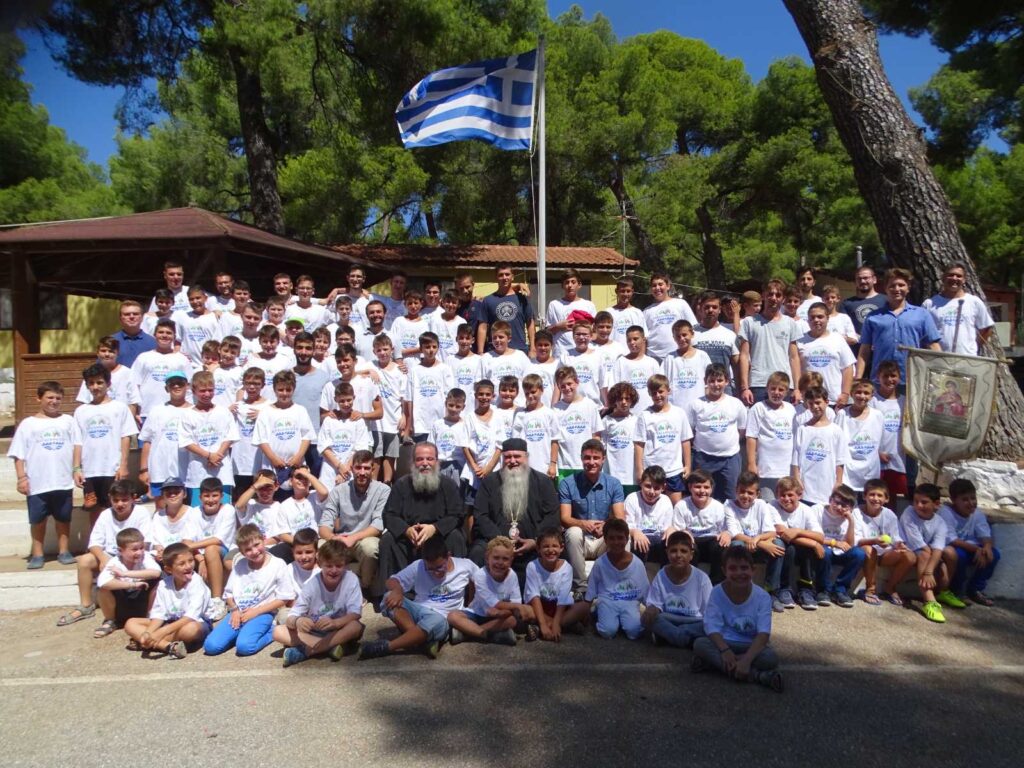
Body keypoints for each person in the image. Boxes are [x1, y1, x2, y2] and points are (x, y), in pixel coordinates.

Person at [361, 533, 477, 660]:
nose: (436, 573)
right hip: (419, 611)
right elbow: (391, 581)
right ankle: (421, 639)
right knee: (388, 597)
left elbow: (480, 581)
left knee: (435, 622)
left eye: (439, 567)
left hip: (442, 617)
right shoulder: (419, 565)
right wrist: (398, 590)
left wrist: (470, 603)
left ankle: (388, 647)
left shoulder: (465, 566)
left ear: (448, 556)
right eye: (430, 569)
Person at [374, 442, 466, 597]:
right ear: (413, 462)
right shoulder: (401, 485)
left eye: (429, 459)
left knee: (456, 537)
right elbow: (389, 515)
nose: (425, 463)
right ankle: (395, 594)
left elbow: (458, 514)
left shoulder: (448, 485)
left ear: (437, 461)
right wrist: (406, 530)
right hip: (410, 538)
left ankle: (451, 591)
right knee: (388, 540)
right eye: (420, 459)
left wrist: (434, 528)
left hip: (438, 537)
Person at [57, 480, 151, 627]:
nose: (120, 504)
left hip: (132, 557)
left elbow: (145, 542)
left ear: (133, 498)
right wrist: (102, 559)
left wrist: (123, 560)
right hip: (109, 556)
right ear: (110, 498)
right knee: (84, 561)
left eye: (124, 500)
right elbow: (94, 543)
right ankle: (86, 605)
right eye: (116, 500)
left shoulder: (141, 513)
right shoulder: (106, 514)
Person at [9, 381, 80, 569]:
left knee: (63, 519)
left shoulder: (68, 421)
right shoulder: (28, 424)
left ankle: (64, 551)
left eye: (58, 398)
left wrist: (76, 469)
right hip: (37, 483)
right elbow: (18, 454)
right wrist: (21, 478)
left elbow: (77, 446)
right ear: (39, 398)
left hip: (63, 481)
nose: (54, 401)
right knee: (38, 520)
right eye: (50, 397)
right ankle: (38, 554)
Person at [692, 546, 782, 692]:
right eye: (733, 568)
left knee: (770, 658)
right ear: (724, 571)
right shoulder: (717, 592)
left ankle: (713, 664)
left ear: (753, 570)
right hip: (725, 642)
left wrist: (746, 659)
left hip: (749, 645)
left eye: (744, 568)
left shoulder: (763, 597)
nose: (739, 573)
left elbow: (763, 634)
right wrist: (725, 651)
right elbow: (712, 627)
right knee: (700, 644)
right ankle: (758, 676)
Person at [471, 438, 561, 580]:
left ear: (526, 457)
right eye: (508, 457)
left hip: (532, 545)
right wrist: (500, 541)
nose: (512, 461)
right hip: (495, 543)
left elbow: (552, 515)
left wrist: (535, 541)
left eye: (517, 456)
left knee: (550, 549)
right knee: (477, 551)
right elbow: (480, 515)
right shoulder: (490, 482)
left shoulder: (543, 482)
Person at [203, 523, 295, 656]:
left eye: (257, 545)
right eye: (248, 550)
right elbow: (229, 593)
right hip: (238, 612)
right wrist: (234, 609)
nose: (254, 551)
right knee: (211, 647)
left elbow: (284, 597)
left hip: (263, 612)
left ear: (263, 540)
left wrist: (256, 612)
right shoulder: (240, 566)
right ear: (242, 552)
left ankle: (271, 630)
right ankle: (238, 634)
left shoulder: (277, 564)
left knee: (245, 647)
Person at [273, 539, 365, 666]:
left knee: (355, 626)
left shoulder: (351, 579)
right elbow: (292, 616)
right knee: (277, 632)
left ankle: (307, 651)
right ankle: (331, 647)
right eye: (329, 566)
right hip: (314, 631)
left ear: (345, 565)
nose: (334, 570)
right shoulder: (311, 585)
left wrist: (336, 623)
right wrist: (298, 621)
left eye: (339, 566)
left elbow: (355, 613)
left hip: (339, 629)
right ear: (320, 564)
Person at [559, 439, 626, 594]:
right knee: (573, 532)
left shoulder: (614, 484)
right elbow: (564, 518)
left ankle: (613, 584)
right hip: (580, 541)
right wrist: (583, 524)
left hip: (603, 539)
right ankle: (580, 587)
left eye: (596, 458)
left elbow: (619, 518)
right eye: (587, 458)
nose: (591, 462)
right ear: (581, 458)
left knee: (623, 535)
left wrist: (606, 526)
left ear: (603, 459)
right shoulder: (568, 483)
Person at [856, 268, 942, 387]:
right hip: (880, 381)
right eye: (892, 286)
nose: (897, 289)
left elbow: (933, 345)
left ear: (908, 287)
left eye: (901, 285)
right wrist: (858, 379)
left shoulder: (922, 314)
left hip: (912, 379)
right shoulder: (873, 317)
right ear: (885, 288)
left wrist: (941, 373)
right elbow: (864, 351)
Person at [73, 363, 137, 522]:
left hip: (112, 468)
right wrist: (76, 468)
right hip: (90, 469)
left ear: (108, 383)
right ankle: (96, 537)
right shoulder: (81, 411)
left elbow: (126, 437)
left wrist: (123, 465)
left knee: (114, 506)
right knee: (93, 508)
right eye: (91, 383)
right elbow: (77, 442)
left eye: (99, 382)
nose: (95, 387)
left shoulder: (120, 408)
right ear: (87, 386)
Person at [124, 542, 211, 658]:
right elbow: (159, 615)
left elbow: (191, 616)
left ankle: (149, 642)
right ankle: (167, 646)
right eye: (182, 564)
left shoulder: (196, 582)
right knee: (131, 623)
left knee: (190, 630)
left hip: (196, 623)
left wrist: (162, 632)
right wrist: (148, 633)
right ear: (169, 569)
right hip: (170, 623)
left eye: (191, 561)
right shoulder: (163, 584)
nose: (188, 566)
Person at [318, 449, 387, 592]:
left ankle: (363, 588)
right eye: (358, 467)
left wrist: (353, 538)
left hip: (364, 539)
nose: (362, 472)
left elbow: (378, 525)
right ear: (352, 468)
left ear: (373, 469)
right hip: (341, 540)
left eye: (366, 468)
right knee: (320, 545)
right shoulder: (338, 491)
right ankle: (330, 587)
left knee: (371, 548)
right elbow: (324, 524)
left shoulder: (383, 490)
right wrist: (334, 538)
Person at [448, 536, 525, 646]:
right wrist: (503, 611)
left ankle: (468, 634)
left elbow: (516, 604)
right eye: (496, 558)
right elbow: (492, 604)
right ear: (487, 558)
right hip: (478, 613)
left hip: (499, 616)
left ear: (511, 560)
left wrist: (502, 613)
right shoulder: (480, 575)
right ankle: (490, 635)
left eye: (505, 559)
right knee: (453, 616)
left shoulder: (512, 575)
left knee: (512, 620)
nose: (500, 562)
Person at [687, 363, 746, 502]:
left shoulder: (736, 404)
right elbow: (690, 432)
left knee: (731, 498)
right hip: (703, 458)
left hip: (730, 459)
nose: (716, 384)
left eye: (720, 380)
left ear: (727, 381)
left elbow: (742, 430)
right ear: (705, 381)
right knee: (702, 497)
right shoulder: (696, 404)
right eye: (712, 381)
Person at [737, 278, 802, 405]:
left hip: (784, 384)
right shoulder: (749, 322)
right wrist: (745, 388)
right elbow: (744, 356)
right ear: (763, 296)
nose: (774, 298)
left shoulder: (790, 323)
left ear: (783, 299)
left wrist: (797, 388)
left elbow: (794, 357)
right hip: (758, 384)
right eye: (770, 294)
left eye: (778, 295)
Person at [643, 530, 712, 648]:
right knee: (653, 619)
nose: (678, 555)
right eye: (673, 551)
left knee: (708, 625)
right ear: (667, 553)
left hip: (694, 620)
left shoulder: (702, 579)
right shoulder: (661, 575)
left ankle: (670, 637)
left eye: (684, 551)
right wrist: (651, 611)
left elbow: (709, 612)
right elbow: (655, 604)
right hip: (669, 618)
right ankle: (687, 639)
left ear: (691, 554)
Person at [91, 526, 162, 639]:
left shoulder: (146, 557)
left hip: (142, 601)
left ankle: (150, 618)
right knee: (103, 589)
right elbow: (103, 582)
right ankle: (110, 621)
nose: (139, 552)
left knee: (159, 582)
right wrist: (132, 584)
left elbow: (156, 572)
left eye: (141, 548)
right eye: (134, 549)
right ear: (120, 550)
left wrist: (124, 574)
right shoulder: (114, 562)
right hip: (123, 602)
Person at [584, 517, 649, 640]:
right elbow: (591, 588)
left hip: (630, 600)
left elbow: (645, 589)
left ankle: (622, 620)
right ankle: (598, 612)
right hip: (607, 599)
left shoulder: (637, 564)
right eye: (612, 538)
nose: (616, 542)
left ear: (627, 539)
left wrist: (651, 610)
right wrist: (586, 610)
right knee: (607, 631)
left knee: (634, 632)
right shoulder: (600, 563)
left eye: (620, 538)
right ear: (605, 540)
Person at [252, 371, 316, 494]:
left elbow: (307, 436)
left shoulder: (300, 410)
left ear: (294, 389)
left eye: (288, 390)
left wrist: (298, 457)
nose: (284, 393)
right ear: (274, 390)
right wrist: (273, 459)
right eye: (280, 390)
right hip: (272, 466)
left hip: (296, 466)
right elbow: (261, 439)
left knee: (298, 497)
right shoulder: (266, 412)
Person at [854, 478, 916, 606]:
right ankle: (870, 589)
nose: (875, 498)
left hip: (885, 554)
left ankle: (890, 588)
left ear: (886, 499)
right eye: (872, 494)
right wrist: (874, 540)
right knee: (870, 549)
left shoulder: (889, 514)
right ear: (864, 496)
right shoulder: (856, 512)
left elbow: (896, 537)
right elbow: (856, 541)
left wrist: (899, 545)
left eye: (880, 495)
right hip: (866, 552)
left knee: (910, 556)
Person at [939, 478, 1000, 607]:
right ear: (954, 500)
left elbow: (985, 534)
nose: (971, 503)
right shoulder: (946, 512)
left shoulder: (977, 514)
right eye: (965, 499)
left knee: (994, 554)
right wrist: (977, 549)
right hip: (954, 547)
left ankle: (975, 589)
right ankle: (957, 590)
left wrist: (986, 547)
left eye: (973, 498)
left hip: (973, 548)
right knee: (959, 556)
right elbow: (951, 539)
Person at [668, 469, 736, 584]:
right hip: (692, 540)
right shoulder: (682, 505)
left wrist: (727, 533)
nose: (702, 491)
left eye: (706, 487)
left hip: (711, 540)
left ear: (711, 489)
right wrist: (684, 532)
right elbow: (678, 530)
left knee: (722, 547)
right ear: (690, 487)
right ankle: (690, 582)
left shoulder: (718, 507)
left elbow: (727, 530)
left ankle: (716, 583)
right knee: (688, 546)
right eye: (698, 487)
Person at [180, 370, 238, 505]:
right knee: (198, 510)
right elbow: (186, 442)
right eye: (202, 391)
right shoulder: (187, 415)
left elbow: (230, 436)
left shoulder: (223, 411)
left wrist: (217, 455)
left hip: (222, 471)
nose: (207, 394)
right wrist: (208, 455)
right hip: (198, 472)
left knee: (223, 508)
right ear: (193, 391)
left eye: (210, 390)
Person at [523, 528, 592, 641]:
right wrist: (543, 624)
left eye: (554, 546)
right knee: (524, 610)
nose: (550, 550)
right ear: (538, 549)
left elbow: (563, 599)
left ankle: (542, 628)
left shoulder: (566, 568)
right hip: (539, 608)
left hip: (559, 608)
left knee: (584, 607)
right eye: (546, 546)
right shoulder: (532, 566)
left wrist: (556, 623)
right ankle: (566, 626)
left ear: (561, 548)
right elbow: (534, 597)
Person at [900, 483, 956, 623]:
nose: (918, 505)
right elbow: (920, 546)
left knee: (950, 552)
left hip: (927, 550)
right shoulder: (909, 513)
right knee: (925, 556)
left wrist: (931, 568)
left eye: (924, 502)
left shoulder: (940, 522)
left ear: (936, 504)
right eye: (916, 501)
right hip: (908, 548)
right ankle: (929, 601)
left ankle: (943, 590)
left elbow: (938, 548)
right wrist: (928, 572)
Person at [633, 374, 692, 504]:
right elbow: (639, 444)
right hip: (651, 470)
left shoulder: (679, 413)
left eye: (661, 391)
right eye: (654, 393)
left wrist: (687, 465)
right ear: (649, 393)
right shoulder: (644, 415)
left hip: (674, 470)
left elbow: (685, 440)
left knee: (676, 505)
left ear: (668, 390)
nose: (658, 395)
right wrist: (639, 470)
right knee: (651, 506)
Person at [771, 477, 826, 611]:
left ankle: (806, 590)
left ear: (799, 495)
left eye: (790, 495)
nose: (786, 498)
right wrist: (814, 544)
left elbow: (820, 536)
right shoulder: (772, 506)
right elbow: (782, 533)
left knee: (808, 550)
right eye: (782, 495)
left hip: (801, 550)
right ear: (777, 494)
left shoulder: (806, 510)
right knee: (789, 548)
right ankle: (784, 589)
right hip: (784, 548)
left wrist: (798, 531)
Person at [809, 484, 866, 608]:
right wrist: (834, 543)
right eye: (836, 502)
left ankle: (840, 590)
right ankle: (823, 590)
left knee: (859, 554)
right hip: (822, 549)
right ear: (830, 500)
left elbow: (850, 544)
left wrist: (851, 521)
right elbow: (813, 535)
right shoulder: (817, 510)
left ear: (851, 508)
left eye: (844, 505)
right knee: (826, 552)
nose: (839, 507)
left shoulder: (853, 516)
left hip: (841, 552)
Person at [791, 386, 848, 506]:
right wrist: (797, 478)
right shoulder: (803, 429)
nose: (815, 407)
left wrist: (838, 482)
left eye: (818, 402)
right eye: (811, 403)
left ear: (826, 402)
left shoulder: (836, 430)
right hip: (806, 488)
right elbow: (795, 458)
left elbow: (840, 460)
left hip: (827, 487)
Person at [923, 261, 995, 356]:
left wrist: (974, 347)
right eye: (950, 275)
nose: (954, 278)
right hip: (938, 358)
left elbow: (986, 328)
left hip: (967, 358)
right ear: (943, 277)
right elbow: (923, 332)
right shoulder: (929, 304)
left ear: (964, 280)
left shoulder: (974, 302)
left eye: (959, 276)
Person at [189, 477, 236, 620]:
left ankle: (217, 600)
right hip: (200, 555)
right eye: (206, 496)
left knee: (211, 549)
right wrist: (201, 559)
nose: (210, 500)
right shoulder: (194, 512)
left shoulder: (228, 510)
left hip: (225, 551)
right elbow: (186, 539)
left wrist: (190, 547)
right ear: (200, 497)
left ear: (221, 496)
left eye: (215, 495)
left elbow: (218, 540)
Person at [745, 371, 796, 501]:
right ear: (767, 389)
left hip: (786, 469)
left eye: (781, 390)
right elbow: (751, 437)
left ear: (787, 392)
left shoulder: (791, 409)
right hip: (766, 469)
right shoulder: (758, 408)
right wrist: (751, 464)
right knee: (768, 504)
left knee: (785, 503)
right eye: (773, 389)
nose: (776, 392)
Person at [131, 318, 193, 421]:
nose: (164, 335)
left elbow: (189, 387)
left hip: (176, 412)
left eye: (169, 333)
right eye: (161, 332)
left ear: (174, 337)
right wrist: (135, 409)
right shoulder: (143, 357)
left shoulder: (182, 359)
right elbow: (133, 385)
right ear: (154, 335)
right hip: (146, 412)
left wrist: (188, 409)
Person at [796, 302, 855, 408]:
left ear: (827, 318)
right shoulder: (800, 341)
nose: (816, 320)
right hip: (808, 400)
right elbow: (795, 368)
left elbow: (848, 368)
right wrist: (797, 390)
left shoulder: (838, 339)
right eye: (812, 317)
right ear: (808, 320)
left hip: (834, 399)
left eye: (820, 317)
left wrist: (845, 393)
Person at [317, 381, 372, 488]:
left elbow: (360, 449)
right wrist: (339, 466)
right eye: (342, 401)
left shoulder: (358, 421)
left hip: (350, 470)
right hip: (330, 470)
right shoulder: (329, 420)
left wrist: (345, 470)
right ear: (335, 400)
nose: (346, 404)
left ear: (354, 398)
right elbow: (323, 447)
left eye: (349, 400)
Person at [835, 379, 884, 495]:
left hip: (870, 470)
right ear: (851, 393)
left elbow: (879, 440)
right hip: (848, 471)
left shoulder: (877, 415)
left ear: (872, 395)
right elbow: (837, 443)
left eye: (866, 393)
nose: (862, 396)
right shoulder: (842, 414)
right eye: (858, 392)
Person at [552, 367, 603, 479]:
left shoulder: (590, 405)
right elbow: (554, 440)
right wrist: (553, 463)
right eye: (562, 386)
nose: (567, 388)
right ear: (559, 387)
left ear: (577, 382)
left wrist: (594, 460)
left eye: (569, 384)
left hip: (586, 464)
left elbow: (596, 436)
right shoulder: (556, 409)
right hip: (564, 465)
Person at [403, 332, 454, 442]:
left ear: (438, 348)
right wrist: (410, 423)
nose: (431, 350)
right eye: (427, 347)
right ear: (421, 349)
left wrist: (448, 419)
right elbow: (409, 399)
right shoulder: (414, 371)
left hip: (440, 421)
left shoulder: (445, 369)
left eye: (434, 347)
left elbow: (450, 397)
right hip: (420, 424)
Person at [477, 264, 536, 356]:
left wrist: (533, 348)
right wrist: (480, 352)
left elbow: (530, 323)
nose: (504, 278)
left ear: (512, 277)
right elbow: (482, 327)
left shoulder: (522, 298)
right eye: (501, 275)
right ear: (496, 278)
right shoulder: (488, 300)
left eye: (507, 274)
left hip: (519, 349)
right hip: (495, 351)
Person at [75, 336, 140, 416]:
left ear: (117, 353)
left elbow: (133, 402)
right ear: (97, 353)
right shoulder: (91, 374)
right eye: (103, 351)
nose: (107, 354)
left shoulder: (128, 373)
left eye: (111, 351)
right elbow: (83, 401)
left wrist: (127, 420)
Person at [624, 465, 673, 565]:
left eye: (656, 488)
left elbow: (666, 529)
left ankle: (666, 573)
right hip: (638, 540)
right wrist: (634, 532)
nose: (651, 492)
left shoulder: (666, 501)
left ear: (663, 488)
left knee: (670, 543)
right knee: (638, 543)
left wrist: (670, 529)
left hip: (658, 540)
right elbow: (627, 526)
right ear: (641, 483)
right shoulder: (632, 499)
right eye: (648, 486)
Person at [693, 292, 740, 392]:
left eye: (714, 307)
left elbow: (737, 367)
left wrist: (740, 390)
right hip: (698, 391)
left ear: (720, 310)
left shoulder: (730, 335)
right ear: (700, 309)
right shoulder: (691, 334)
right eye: (707, 307)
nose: (711, 310)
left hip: (724, 392)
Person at [661, 319, 712, 411]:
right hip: (676, 408)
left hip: (699, 407)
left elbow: (709, 382)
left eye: (684, 335)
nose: (681, 339)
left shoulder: (702, 356)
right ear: (673, 338)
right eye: (678, 336)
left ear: (692, 334)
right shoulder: (669, 358)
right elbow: (662, 383)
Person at [608, 326, 659, 414]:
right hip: (627, 413)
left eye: (635, 339)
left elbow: (658, 387)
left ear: (643, 340)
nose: (632, 342)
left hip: (649, 412)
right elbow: (614, 388)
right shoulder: (620, 362)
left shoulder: (652, 362)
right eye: (629, 340)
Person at [547, 268, 596, 357]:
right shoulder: (554, 304)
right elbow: (547, 332)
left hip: (584, 354)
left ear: (579, 285)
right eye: (567, 282)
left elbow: (594, 331)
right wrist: (558, 327)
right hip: (561, 353)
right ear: (562, 285)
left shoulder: (589, 305)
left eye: (573, 282)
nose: (570, 285)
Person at [602, 382, 639, 492]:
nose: (624, 402)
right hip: (611, 475)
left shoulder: (636, 420)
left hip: (631, 477)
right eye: (620, 399)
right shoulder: (606, 421)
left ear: (632, 400)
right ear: (614, 401)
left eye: (627, 399)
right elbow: (602, 447)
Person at [558, 321, 604, 405]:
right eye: (578, 334)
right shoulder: (566, 356)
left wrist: (607, 405)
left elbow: (603, 384)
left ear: (591, 336)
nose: (581, 337)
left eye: (585, 334)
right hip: (570, 405)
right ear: (573, 336)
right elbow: (557, 384)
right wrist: (554, 406)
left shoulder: (598, 356)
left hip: (593, 405)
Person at [841, 265, 888, 337]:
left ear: (874, 279)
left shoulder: (886, 300)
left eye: (866, 278)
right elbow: (843, 327)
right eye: (859, 279)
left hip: (882, 342)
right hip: (858, 343)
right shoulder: (847, 304)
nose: (862, 281)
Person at [113, 299, 157, 368]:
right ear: (120, 318)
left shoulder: (153, 342)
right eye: (127, 314)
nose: (131, 317)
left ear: (142, 318)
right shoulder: (111, 341)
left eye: (135, 314)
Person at [605, 276, 646, 346]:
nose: (625, 294)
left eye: (628, 291)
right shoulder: (608, 312)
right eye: (622, 291)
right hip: (613, 351)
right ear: (616, 291)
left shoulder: (638, 313)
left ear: (632, 292)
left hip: (633, 352)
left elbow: (644, 338)